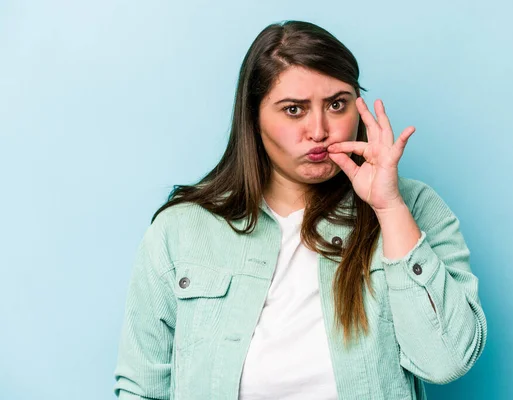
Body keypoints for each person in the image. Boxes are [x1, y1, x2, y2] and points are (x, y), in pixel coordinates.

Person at [113, 20, 487, 400]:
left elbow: (447, 361)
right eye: (294, 110)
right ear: (254, 117)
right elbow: (142, 387)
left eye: (337, 105)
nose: (320, 130)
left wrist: (389, 209)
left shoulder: (413, 208)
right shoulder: (181, 230)